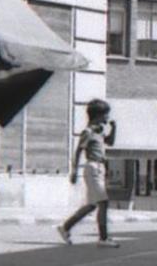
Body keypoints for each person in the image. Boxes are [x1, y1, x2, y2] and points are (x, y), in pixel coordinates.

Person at [57, 99, 119, 248]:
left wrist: (114, 128)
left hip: (99, 168)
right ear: (98, 115)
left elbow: (110, 142)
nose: (107, 117)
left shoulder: (99, 131)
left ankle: (66, 227)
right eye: (106, 114)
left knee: (92, 205)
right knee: (103, 202)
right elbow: (79, 151)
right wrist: (74, 171)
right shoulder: (89, 132)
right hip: (92, 168)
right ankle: (103, 238)